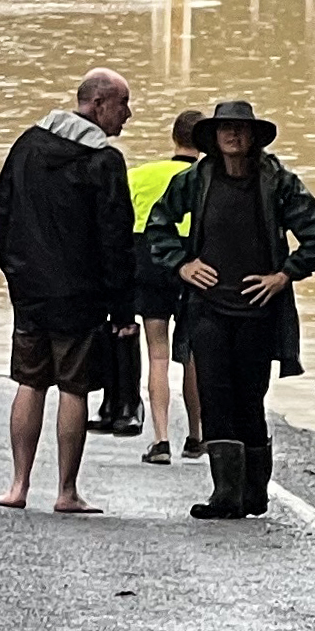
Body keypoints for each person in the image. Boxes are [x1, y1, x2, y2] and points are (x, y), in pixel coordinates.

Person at [145, 97, 315, 519]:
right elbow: (158, 224)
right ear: (212, 137)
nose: (233, 135)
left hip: (259, 310)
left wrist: (284, 275)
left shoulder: (279, 182)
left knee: (251, 399)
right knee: (214, 397)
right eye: (224, 128)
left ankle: (256, 493)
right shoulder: (195, 179)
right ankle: (226, 495)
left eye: (241, 129)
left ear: (253, 137)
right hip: (207, 308)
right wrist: (183, 264)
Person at [0, 66, 136, 513]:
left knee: (29, 383)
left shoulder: (27, 145)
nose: (128, 115)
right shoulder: (104, 160)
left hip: (31, 293)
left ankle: (18, 485)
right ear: (98, 104)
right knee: (74, 389)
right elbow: (116, 240)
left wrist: (18, 274)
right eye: (123, 104)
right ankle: (66, 491)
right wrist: (122, 309)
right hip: (81, 296)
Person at [123, 113, 201, 466]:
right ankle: (196, 437)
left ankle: (161, 439)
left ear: (173, 138)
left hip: (150, 263)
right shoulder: (207, 179)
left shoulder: (139, 175)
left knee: (157, 353)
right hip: (194, 268)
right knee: (192, 357)